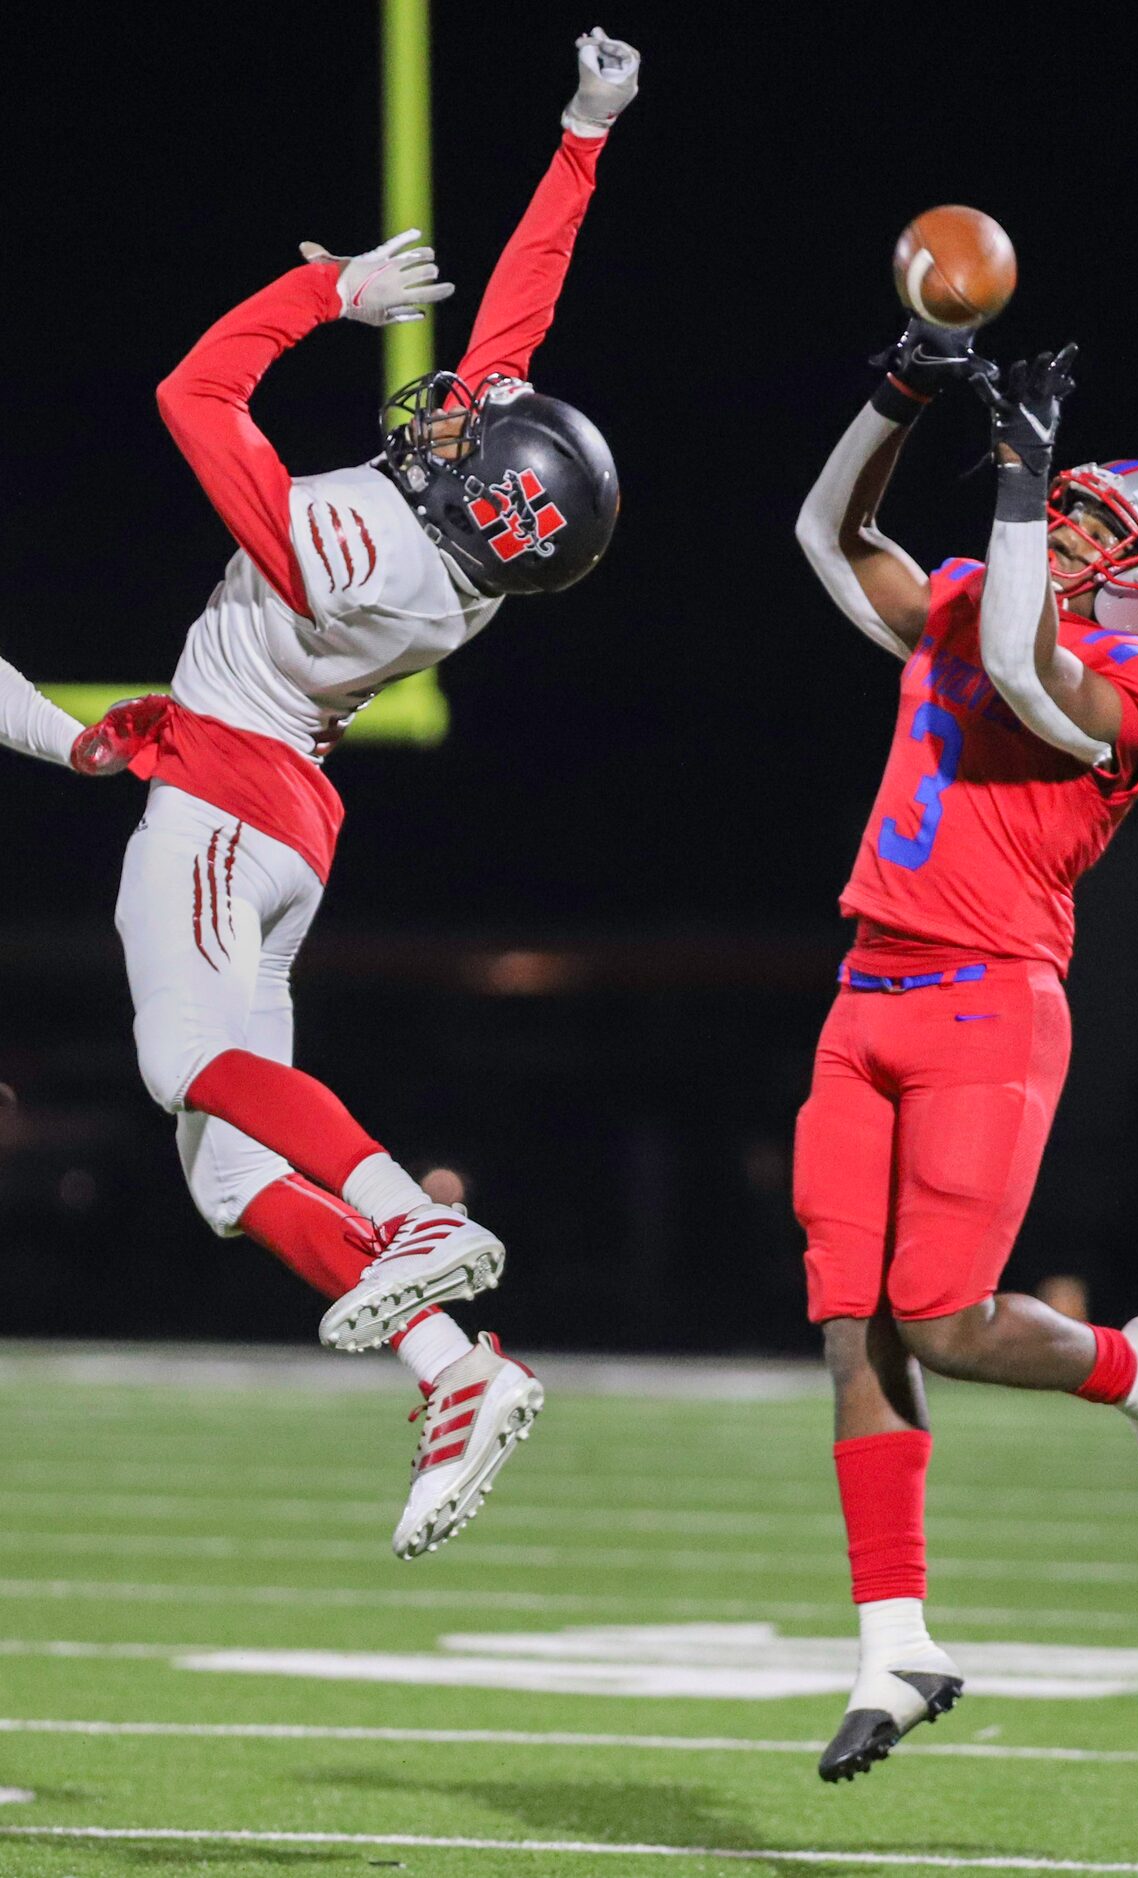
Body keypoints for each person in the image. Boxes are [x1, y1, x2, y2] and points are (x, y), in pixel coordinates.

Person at [75, 27, 642, 1561]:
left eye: (466, 431)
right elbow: (522, 307)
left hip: (223, 805)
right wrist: (584, 132)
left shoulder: (357, 549)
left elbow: (192, 396)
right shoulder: (470, 555)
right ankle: (459, 1369)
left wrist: (324, 299)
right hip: (290, 822)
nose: (449, 410)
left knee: (187, 1058)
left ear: (479, 493)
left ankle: (410, 1214)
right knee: (227, 1171)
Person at [793, 317, 1138, 1780]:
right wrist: (901, 397)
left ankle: (1131, 1362)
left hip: (990, 997)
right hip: (867, 992)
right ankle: (894, 1641)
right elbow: (827, 527)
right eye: (1076, 502)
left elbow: (1040, 684)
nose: (1074, 520)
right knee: (853, 1325)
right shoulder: (977, 583)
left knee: (941, 1317)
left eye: (1107, 521)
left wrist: (1023, 469)